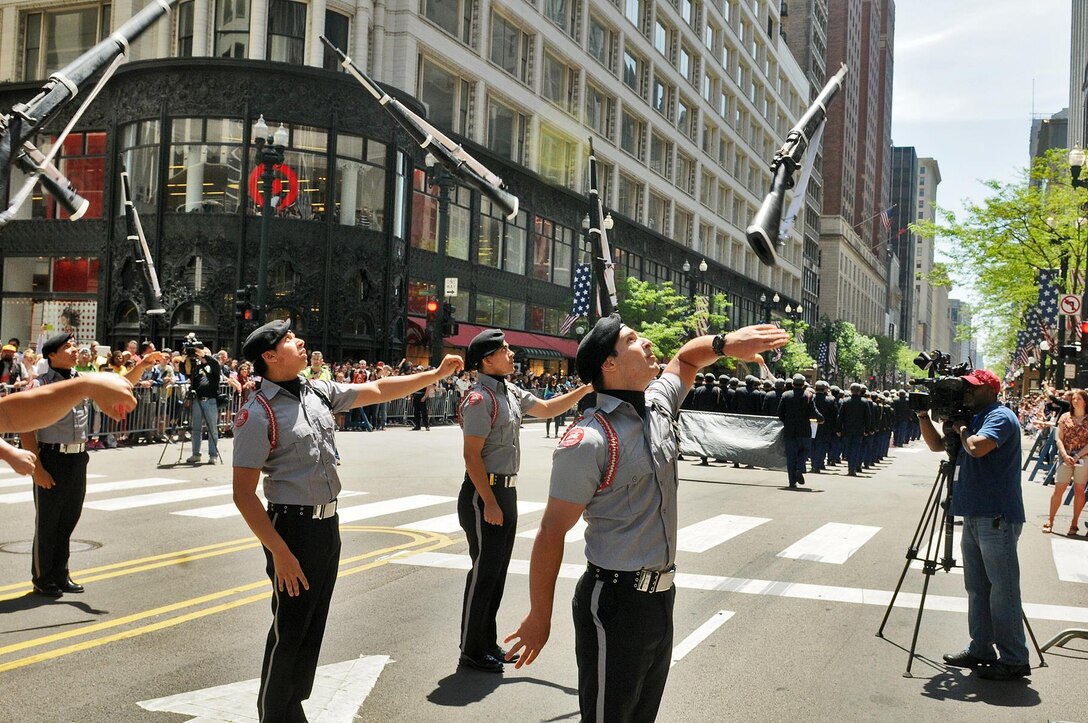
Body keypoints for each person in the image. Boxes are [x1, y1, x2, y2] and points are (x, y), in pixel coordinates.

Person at [503, 314, 787, 721]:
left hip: (660, 598)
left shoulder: (658, 405)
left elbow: (687, 361)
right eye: (634, 339)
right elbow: (551, 532)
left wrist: (725, 344)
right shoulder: (588, 440)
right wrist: (539, 616)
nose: (649, 341)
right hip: (615, 603)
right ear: (610, 364)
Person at [231, 319, 463, 721]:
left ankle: (291, 706)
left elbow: (377, 390)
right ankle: (275, 714)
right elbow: (242, 494)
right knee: (291, 629)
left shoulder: (316, 390)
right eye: (289, 340)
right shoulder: (258, 413)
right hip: (292, 529)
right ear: (269, 357)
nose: (300, 341)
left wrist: (435, 373)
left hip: (326, 526)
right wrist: (280, 553)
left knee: (311, 625)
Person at [456, 329, 592, 673]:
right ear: (487, 360)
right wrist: (488, 502)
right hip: (483, 492)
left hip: (505, 491)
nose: (511, 353)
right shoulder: (479, 399)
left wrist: (586, 389)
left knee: (497, 573)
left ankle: (487, 644)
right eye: (504, 350)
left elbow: (547, 409)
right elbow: (472, 456)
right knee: (484, 572)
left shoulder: (510, 392)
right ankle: (471, 649)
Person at [916, 368, 1030, 681]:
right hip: (973, 514)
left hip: (997, 516)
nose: (967, 392)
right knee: (977, 588)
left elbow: (977, 448)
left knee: (1002, 591)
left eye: (973, 388)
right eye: (966, 387)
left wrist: (963, 428)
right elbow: (937, 446)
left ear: (990, 391)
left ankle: (1014, 658)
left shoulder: (1000, 416)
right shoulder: (971, 417)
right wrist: (923, 416)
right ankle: (981, 648)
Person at [19, 334, 95, 597]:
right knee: (48, 523)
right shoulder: (40, 385)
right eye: (68, 347)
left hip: (77, 458)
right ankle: (42, 578)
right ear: (52, 355)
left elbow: (116, 385)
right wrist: (36, 468)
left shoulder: (80, 381)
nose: (75, 350)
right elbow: (25, 427)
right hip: (51, 458)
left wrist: (140, 367)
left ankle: (61, 574)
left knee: (68, 520)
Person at [1044, 388, 1088, 536]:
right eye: (1073, 399)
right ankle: (1050, 520)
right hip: (1065, 455)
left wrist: (1077, 456)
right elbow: (1059, 439)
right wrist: (1064, 454)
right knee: (1059, 488)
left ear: (1085, 401)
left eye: (1079, 399)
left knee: (1079, 490)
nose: (1075, 401)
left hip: (1083, 457)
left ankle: (1074, 523)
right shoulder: (1064, 417)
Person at [178, 344, 221, 464]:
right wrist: (184, 358)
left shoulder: (213, 366)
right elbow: (184, 372)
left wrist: (204, 355)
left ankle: (213, 455)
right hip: (197, 400)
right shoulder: (196, 368)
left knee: (212, 429)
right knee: (196, 429)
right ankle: (196, 454)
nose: (201, 356)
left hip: (210, 400)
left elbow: (216, 364)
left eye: (204, 354)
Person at [777, 374, 822, 488]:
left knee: (791, 456)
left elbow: (780, 413)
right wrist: (821, 418)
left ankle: (792, 482)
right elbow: (813, 411)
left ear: (793, 384)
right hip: (804, 430)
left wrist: (787, 422)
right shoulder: (808, 395)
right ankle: (800, 467)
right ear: (803, 385)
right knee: (805, 450)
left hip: (790, 431)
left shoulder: (786, 395)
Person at [837, 383, 870, 476]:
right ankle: (852, 468)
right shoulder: (864, 402)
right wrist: (867, 429)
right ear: (859, 391)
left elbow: (840, 416)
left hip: (847, 429)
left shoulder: (845, 401)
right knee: (856, 449)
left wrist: (838, 429)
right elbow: (868, 417)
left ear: (850, 390)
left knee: (848, 449)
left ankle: (850, 467)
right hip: (859, 430)